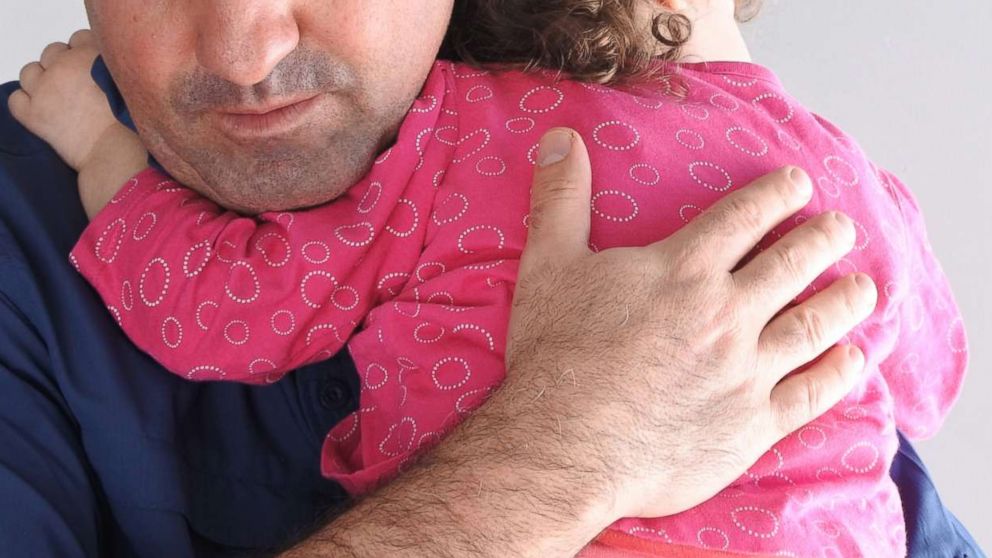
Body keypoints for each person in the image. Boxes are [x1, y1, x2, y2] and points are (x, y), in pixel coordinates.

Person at [0, 1, 983, 556]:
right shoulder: (830, 171)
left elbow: (222, 306)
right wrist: (569, 445)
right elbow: (928, 376)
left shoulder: (461, 136)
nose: (246, 50)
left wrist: (107, 166)